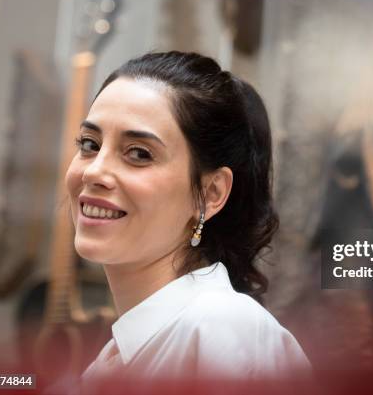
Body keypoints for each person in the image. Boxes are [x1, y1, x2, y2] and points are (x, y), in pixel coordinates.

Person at [64, 51, 311, 383]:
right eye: (90, 144)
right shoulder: (118, 356)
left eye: (139, 153)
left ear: (210, 194)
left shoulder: (220, 330)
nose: (94, 171)